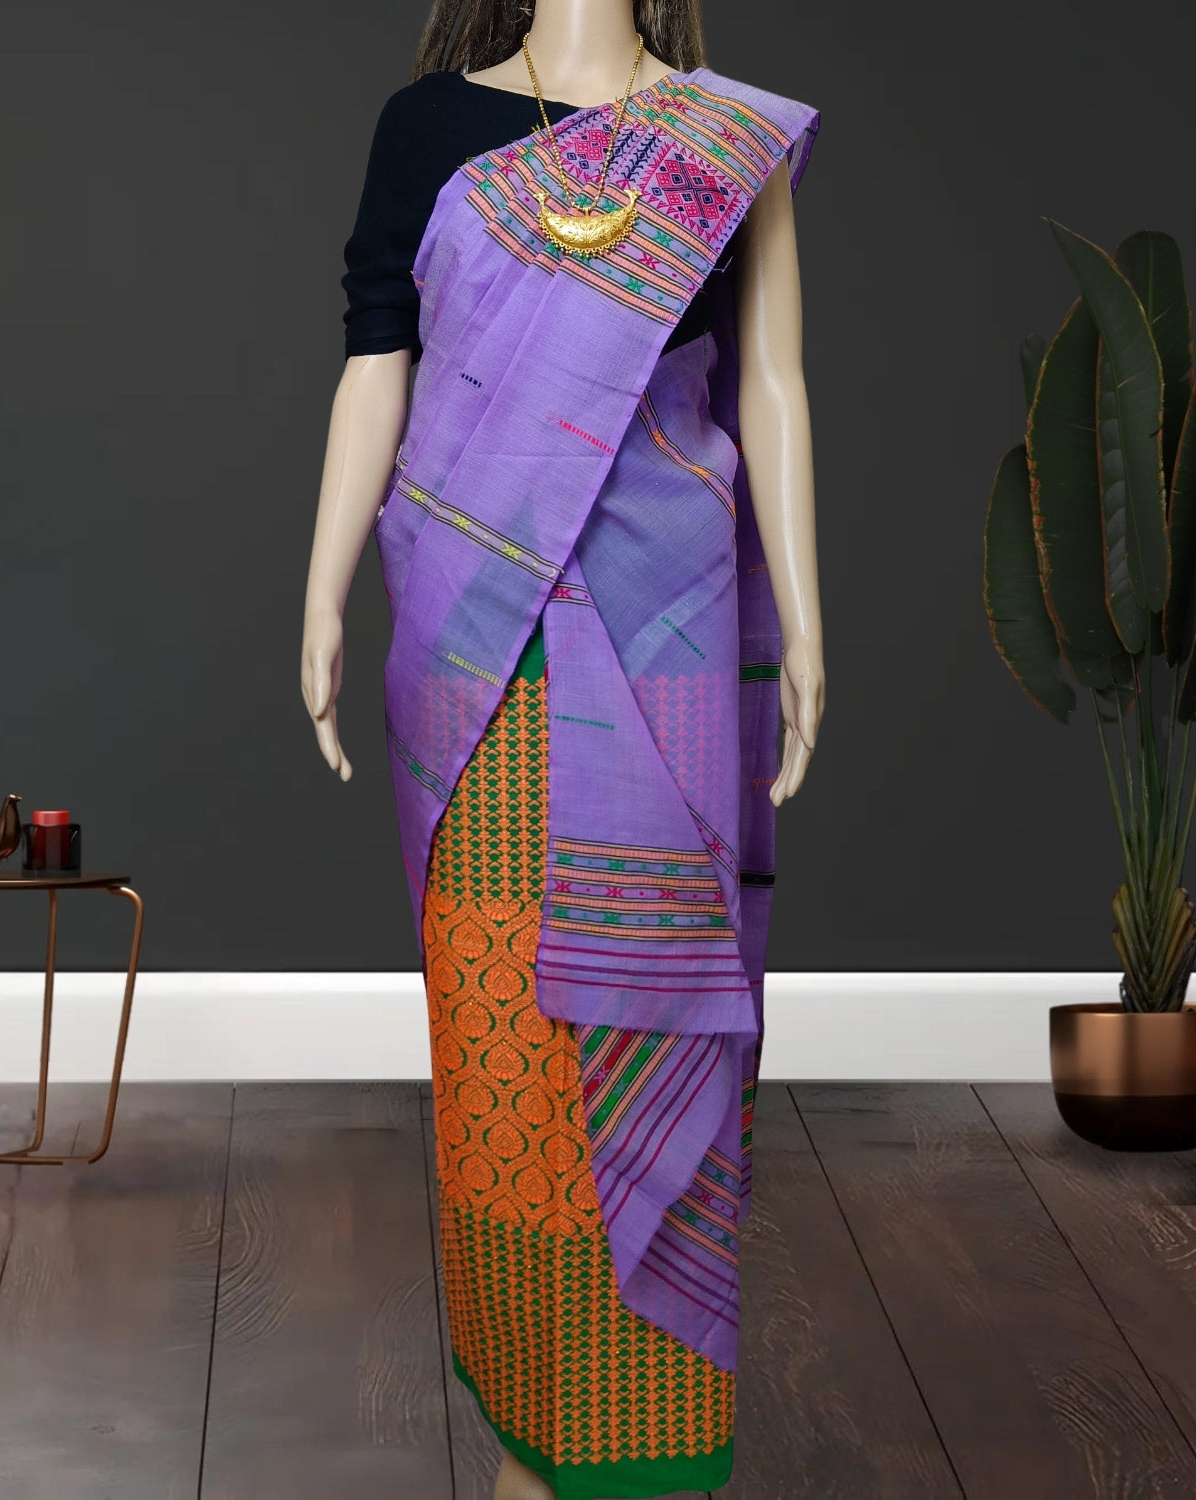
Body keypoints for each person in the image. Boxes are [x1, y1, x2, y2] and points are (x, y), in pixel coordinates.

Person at [301, 2, 823, 1495]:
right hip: (475, 649)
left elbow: (772, 385)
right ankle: (539, 1433)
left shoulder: (724, 140)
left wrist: (809, 623)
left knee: (660, 1026)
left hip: (668, 643)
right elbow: (378, 361)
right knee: (499, 1057)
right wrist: (321, 590)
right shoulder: (428, 127)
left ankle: (643, 1430)